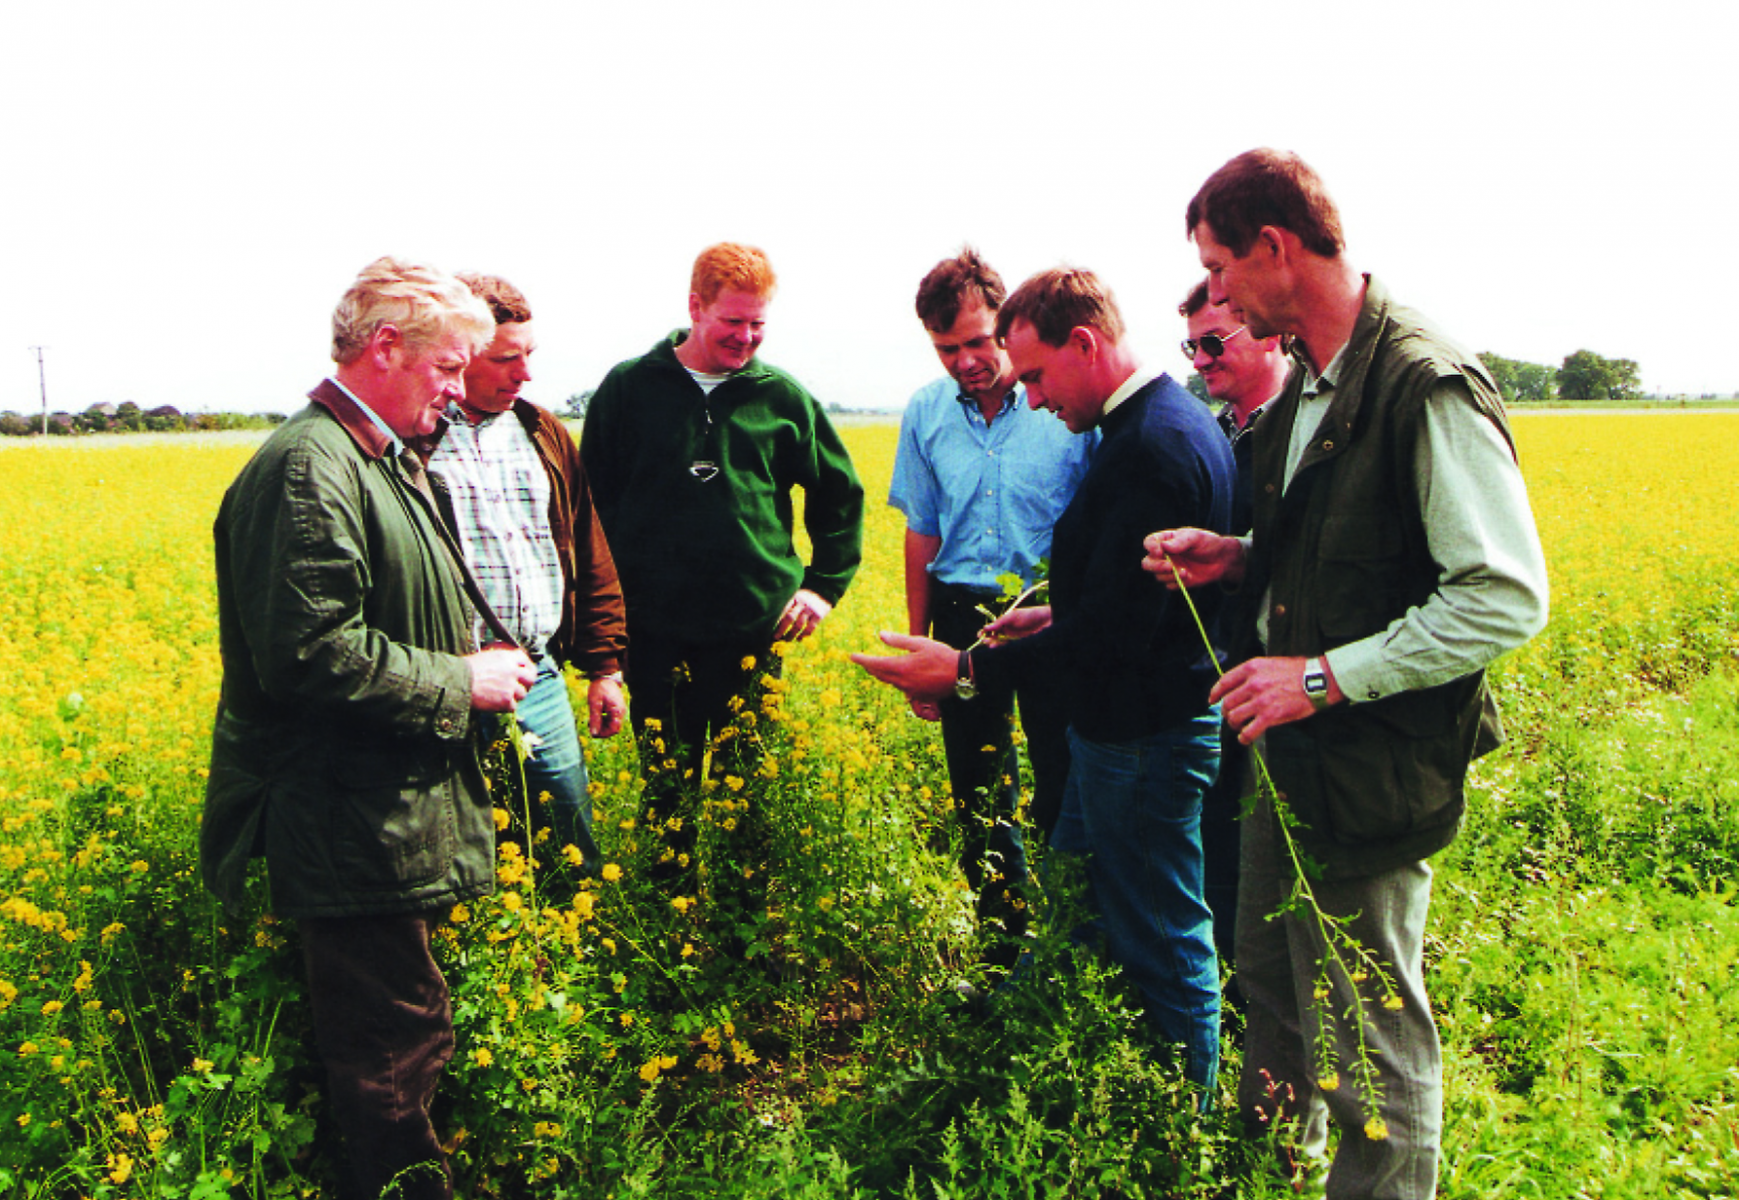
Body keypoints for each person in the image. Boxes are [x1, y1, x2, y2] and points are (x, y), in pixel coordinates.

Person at [1147, 149, 1549, 1198]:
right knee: (1274, 991)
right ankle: (1276, 1177)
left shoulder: (1420, 380)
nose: (1216, 293)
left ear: (1274, 249)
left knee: (1369, 1033)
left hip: (1368, 768)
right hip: (1289, 763)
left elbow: (1501, 595)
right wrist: (1234, 557)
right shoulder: (1309, 391)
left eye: (1219, 267)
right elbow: (1339, 554)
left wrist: (1316, 679)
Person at [201, 257, 537, 1200]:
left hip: (384, 808)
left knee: (403, 1028)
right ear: (385, 347)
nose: (458, 387)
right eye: (445, 367)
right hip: (348, 819)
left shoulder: (378, 455)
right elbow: (308, 653)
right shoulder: (311, 467)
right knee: (392, 1046)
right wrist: (459, 680)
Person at [854, 267, 1235, 1094]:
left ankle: (1181, 1117)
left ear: (1085, 345)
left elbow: (1118, 638)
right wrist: (1053, 617)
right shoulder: (1152, 426)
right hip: (1119, 727)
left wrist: (963, 667)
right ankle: (1058, 1054)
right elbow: (1118, 606)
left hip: (1143, 732)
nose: (1029, 397)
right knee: (1081, 897)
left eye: (1032, 374)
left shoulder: (1151, 447)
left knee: (1164, 931)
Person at [579, 243, 864, 899]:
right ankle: (665, 922)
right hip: (653, 633)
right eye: (731, 322)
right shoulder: (629, 389)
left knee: (748, 793)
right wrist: (601, 633)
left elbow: (839, 496)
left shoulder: (782, 398)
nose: (746, 338)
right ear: (694, 307)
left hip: (750, 633)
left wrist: (821, 588)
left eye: (758, 324)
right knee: (664, 787)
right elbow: (588, 508)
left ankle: (743, 938)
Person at [890, 248, 1093, 956]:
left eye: (978, 342)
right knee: (979, 793)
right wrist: (920, 646)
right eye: (947, 348)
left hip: (1049, 612)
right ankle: (1001, 948)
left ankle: (1071, 944)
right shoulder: (924, 412)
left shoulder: (1061, 402)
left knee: (1063, 779)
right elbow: (921, 530)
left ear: (1005, 326)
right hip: (960, 614)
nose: (966, 361)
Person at [418, 273, 627, 880]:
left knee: (569, 852)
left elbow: (588, 549)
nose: (525, 374)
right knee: (454, 857)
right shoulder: (410, 441)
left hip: (539, 679)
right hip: (446, 687)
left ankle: (570, 965)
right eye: (507, 358)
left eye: (529, 354)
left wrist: (605, 666)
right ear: (457, 356)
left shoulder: (541, 431)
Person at [1178, 277, 1293, 1006]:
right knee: (1219, 847)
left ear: (1270, 333)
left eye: (1214, 341)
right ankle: (1233, 997)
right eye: (1191, 347)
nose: (1201, 360)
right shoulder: (1216, 434)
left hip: (1288, 684)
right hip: (1220, 681)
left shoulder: (1303, 433)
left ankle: (1268, 1005)